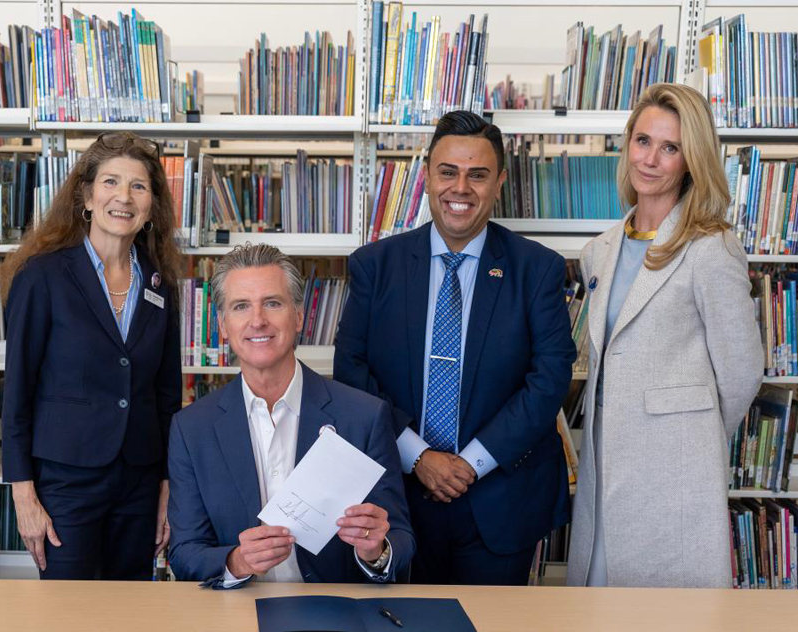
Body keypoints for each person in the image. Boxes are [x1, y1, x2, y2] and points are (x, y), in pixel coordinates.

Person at [334, 110, 576, 585]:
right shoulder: (374, 266)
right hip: (397, 496)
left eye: (478, 175)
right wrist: (419, 457)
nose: (460, 188)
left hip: (500, 499)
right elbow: (352, 371)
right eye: (448, 172)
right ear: (427, 176)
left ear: (500, 182)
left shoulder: (537, 269)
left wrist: (471, 462)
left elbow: (549, 380)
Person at [566, 83, 764, 588]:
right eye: (643, 141)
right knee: (598, 599)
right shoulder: (602, 250)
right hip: (604, 458)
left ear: (691, 160)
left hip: (674, 470)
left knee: (667, 611)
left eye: (670, 147)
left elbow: (742, 371)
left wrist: (689, 434)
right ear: (627, 144)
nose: (651, 159)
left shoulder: (710, 247)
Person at [167, 244, 414, 586]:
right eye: (241, 306)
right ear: (223, 325)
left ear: (298, 316)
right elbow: (184, 552)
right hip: (236, 611)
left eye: (272, 303)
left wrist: (376, 550)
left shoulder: (364, 416)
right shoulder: (191, 429)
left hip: (334, 612)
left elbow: (400, 536)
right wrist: (236, 561)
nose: (257, 320)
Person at [0, 132, 182, 580]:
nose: (123, 197)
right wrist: (24, 496)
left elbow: (167, 396)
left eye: (138, 186)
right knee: (68, 612)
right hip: (66, 480)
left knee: (130, 608)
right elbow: (18, 393)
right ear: (86, 194)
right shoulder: (42, 277)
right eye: (111, 182)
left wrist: (165, 487)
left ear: (151, 204)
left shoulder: (160, 282)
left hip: (139, 479)